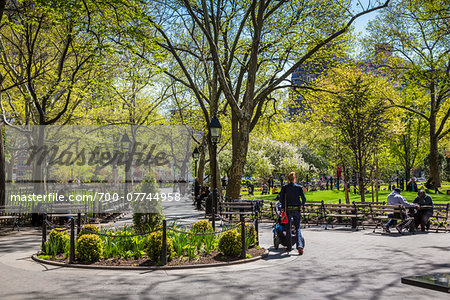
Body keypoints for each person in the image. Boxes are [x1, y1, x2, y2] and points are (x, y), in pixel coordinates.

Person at [279, 172, 306, 255]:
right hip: (297, 209)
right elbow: (304, 199)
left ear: (288, 179)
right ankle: (300, 245)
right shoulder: (299, 188)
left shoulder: (285, 187)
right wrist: (300, 204)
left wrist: (283, 207)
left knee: (288, 228)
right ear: (294, 179)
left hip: (288, 209)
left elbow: (281, 198)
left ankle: (289, 246)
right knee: (297, 228)